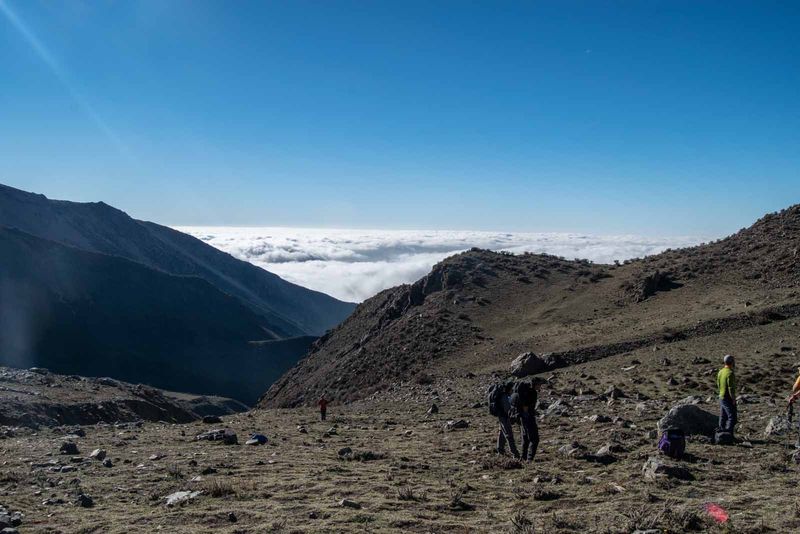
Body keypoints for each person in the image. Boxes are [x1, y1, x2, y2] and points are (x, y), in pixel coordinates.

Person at [510, 379, 540, 462]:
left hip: (521, 418)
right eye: (538, 384)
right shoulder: (532, 393)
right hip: (527, 417)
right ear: (534, 385)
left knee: (525, 438)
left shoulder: (523, 392)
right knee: (534, 439)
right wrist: (527, 413)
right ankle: (529, 459)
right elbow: (525, 406)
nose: (540, 386)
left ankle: (523, 457)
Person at [496, 382, 520, 458]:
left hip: (502, 417)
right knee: (509, 435)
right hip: (505, 417)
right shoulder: (505, 397)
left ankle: (500, 450)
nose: (512, 390)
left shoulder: (503, 396)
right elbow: (507, 409)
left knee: (502, 433)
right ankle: (515, 454)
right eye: (511, 389)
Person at [716, 354, 737, 437]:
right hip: (727, 397)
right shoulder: (730, 373)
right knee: (732, 417)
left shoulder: (720, 372)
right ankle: (728, 434)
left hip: (721, 396)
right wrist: (733, 399)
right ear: (732, 362)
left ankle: (720, 434)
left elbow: (718, 384)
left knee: (723, 416)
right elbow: (731, 388)